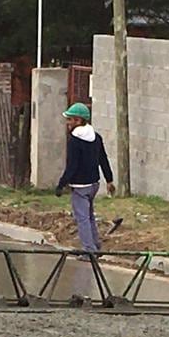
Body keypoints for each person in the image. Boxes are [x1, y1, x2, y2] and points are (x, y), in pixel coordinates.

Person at [56, 102, 114, 253]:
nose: (68, 123)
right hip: (94, 184)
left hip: (80, 186)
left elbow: (72, 166)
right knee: (89, 216)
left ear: (78, 120)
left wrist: (61, 185)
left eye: (70, 119)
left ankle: (89, 251)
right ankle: (96, 245)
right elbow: (103, 159)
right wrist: (109, 180)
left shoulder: (75, 141)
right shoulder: (96, 137)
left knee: (82, 219)